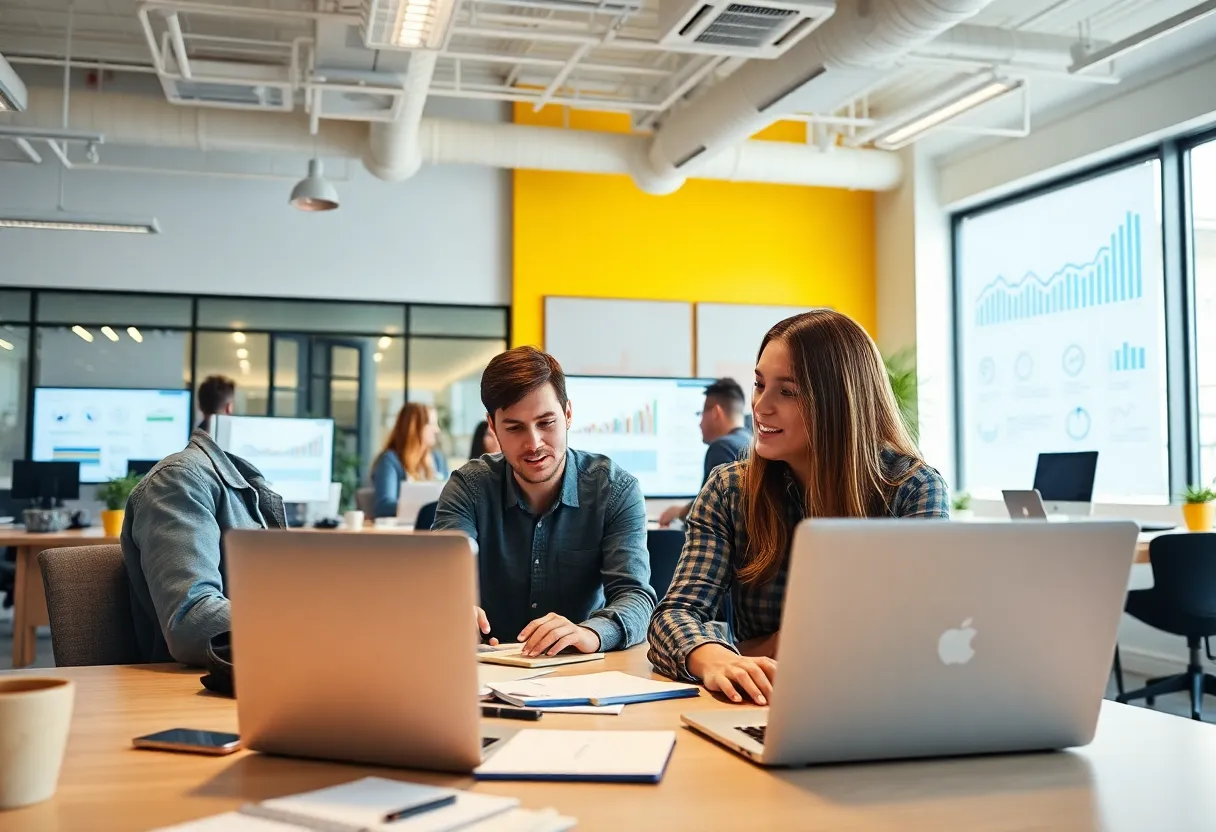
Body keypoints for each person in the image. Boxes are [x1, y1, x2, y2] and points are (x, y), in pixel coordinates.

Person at [648, 310, 949, 705]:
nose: (760, 406)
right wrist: (717, 657)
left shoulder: (913, 488)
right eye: (759, 384)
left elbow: (923, 633)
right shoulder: (729, 489)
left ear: (839, 400)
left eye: (787, 391)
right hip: (767, 706)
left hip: (884, 703)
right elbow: (673, 616)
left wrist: (770, 643)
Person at [433, 346, 656, 657]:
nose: (534, 443)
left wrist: (590, 632)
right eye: (514, 428)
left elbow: (636, 598)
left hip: (581, 669)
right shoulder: (469, 487)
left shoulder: (615, 490)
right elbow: (438, 583)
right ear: (493, 427)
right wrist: (451, 610)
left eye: (546, 423)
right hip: (485, 669)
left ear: (567, 414)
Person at [122, 428, 286, 666]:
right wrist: (305, 628)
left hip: (263, 674)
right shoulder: (179, 479)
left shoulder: (248, 490)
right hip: (191, 687)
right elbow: (192, 620)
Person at [658, 378, 751, 527]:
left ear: (715, 412)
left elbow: (706, 512)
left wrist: (679, 512)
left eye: (701, 414)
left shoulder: (722, 447)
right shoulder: (751, 442)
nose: (700, 423)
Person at [371, 402, 440, 518]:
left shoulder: (437, 459)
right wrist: (427, 508)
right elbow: (383, 505)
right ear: (414, 427)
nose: (437, 430)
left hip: (435, 529)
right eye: (431, 424)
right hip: (403, 531)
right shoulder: (389, 460)